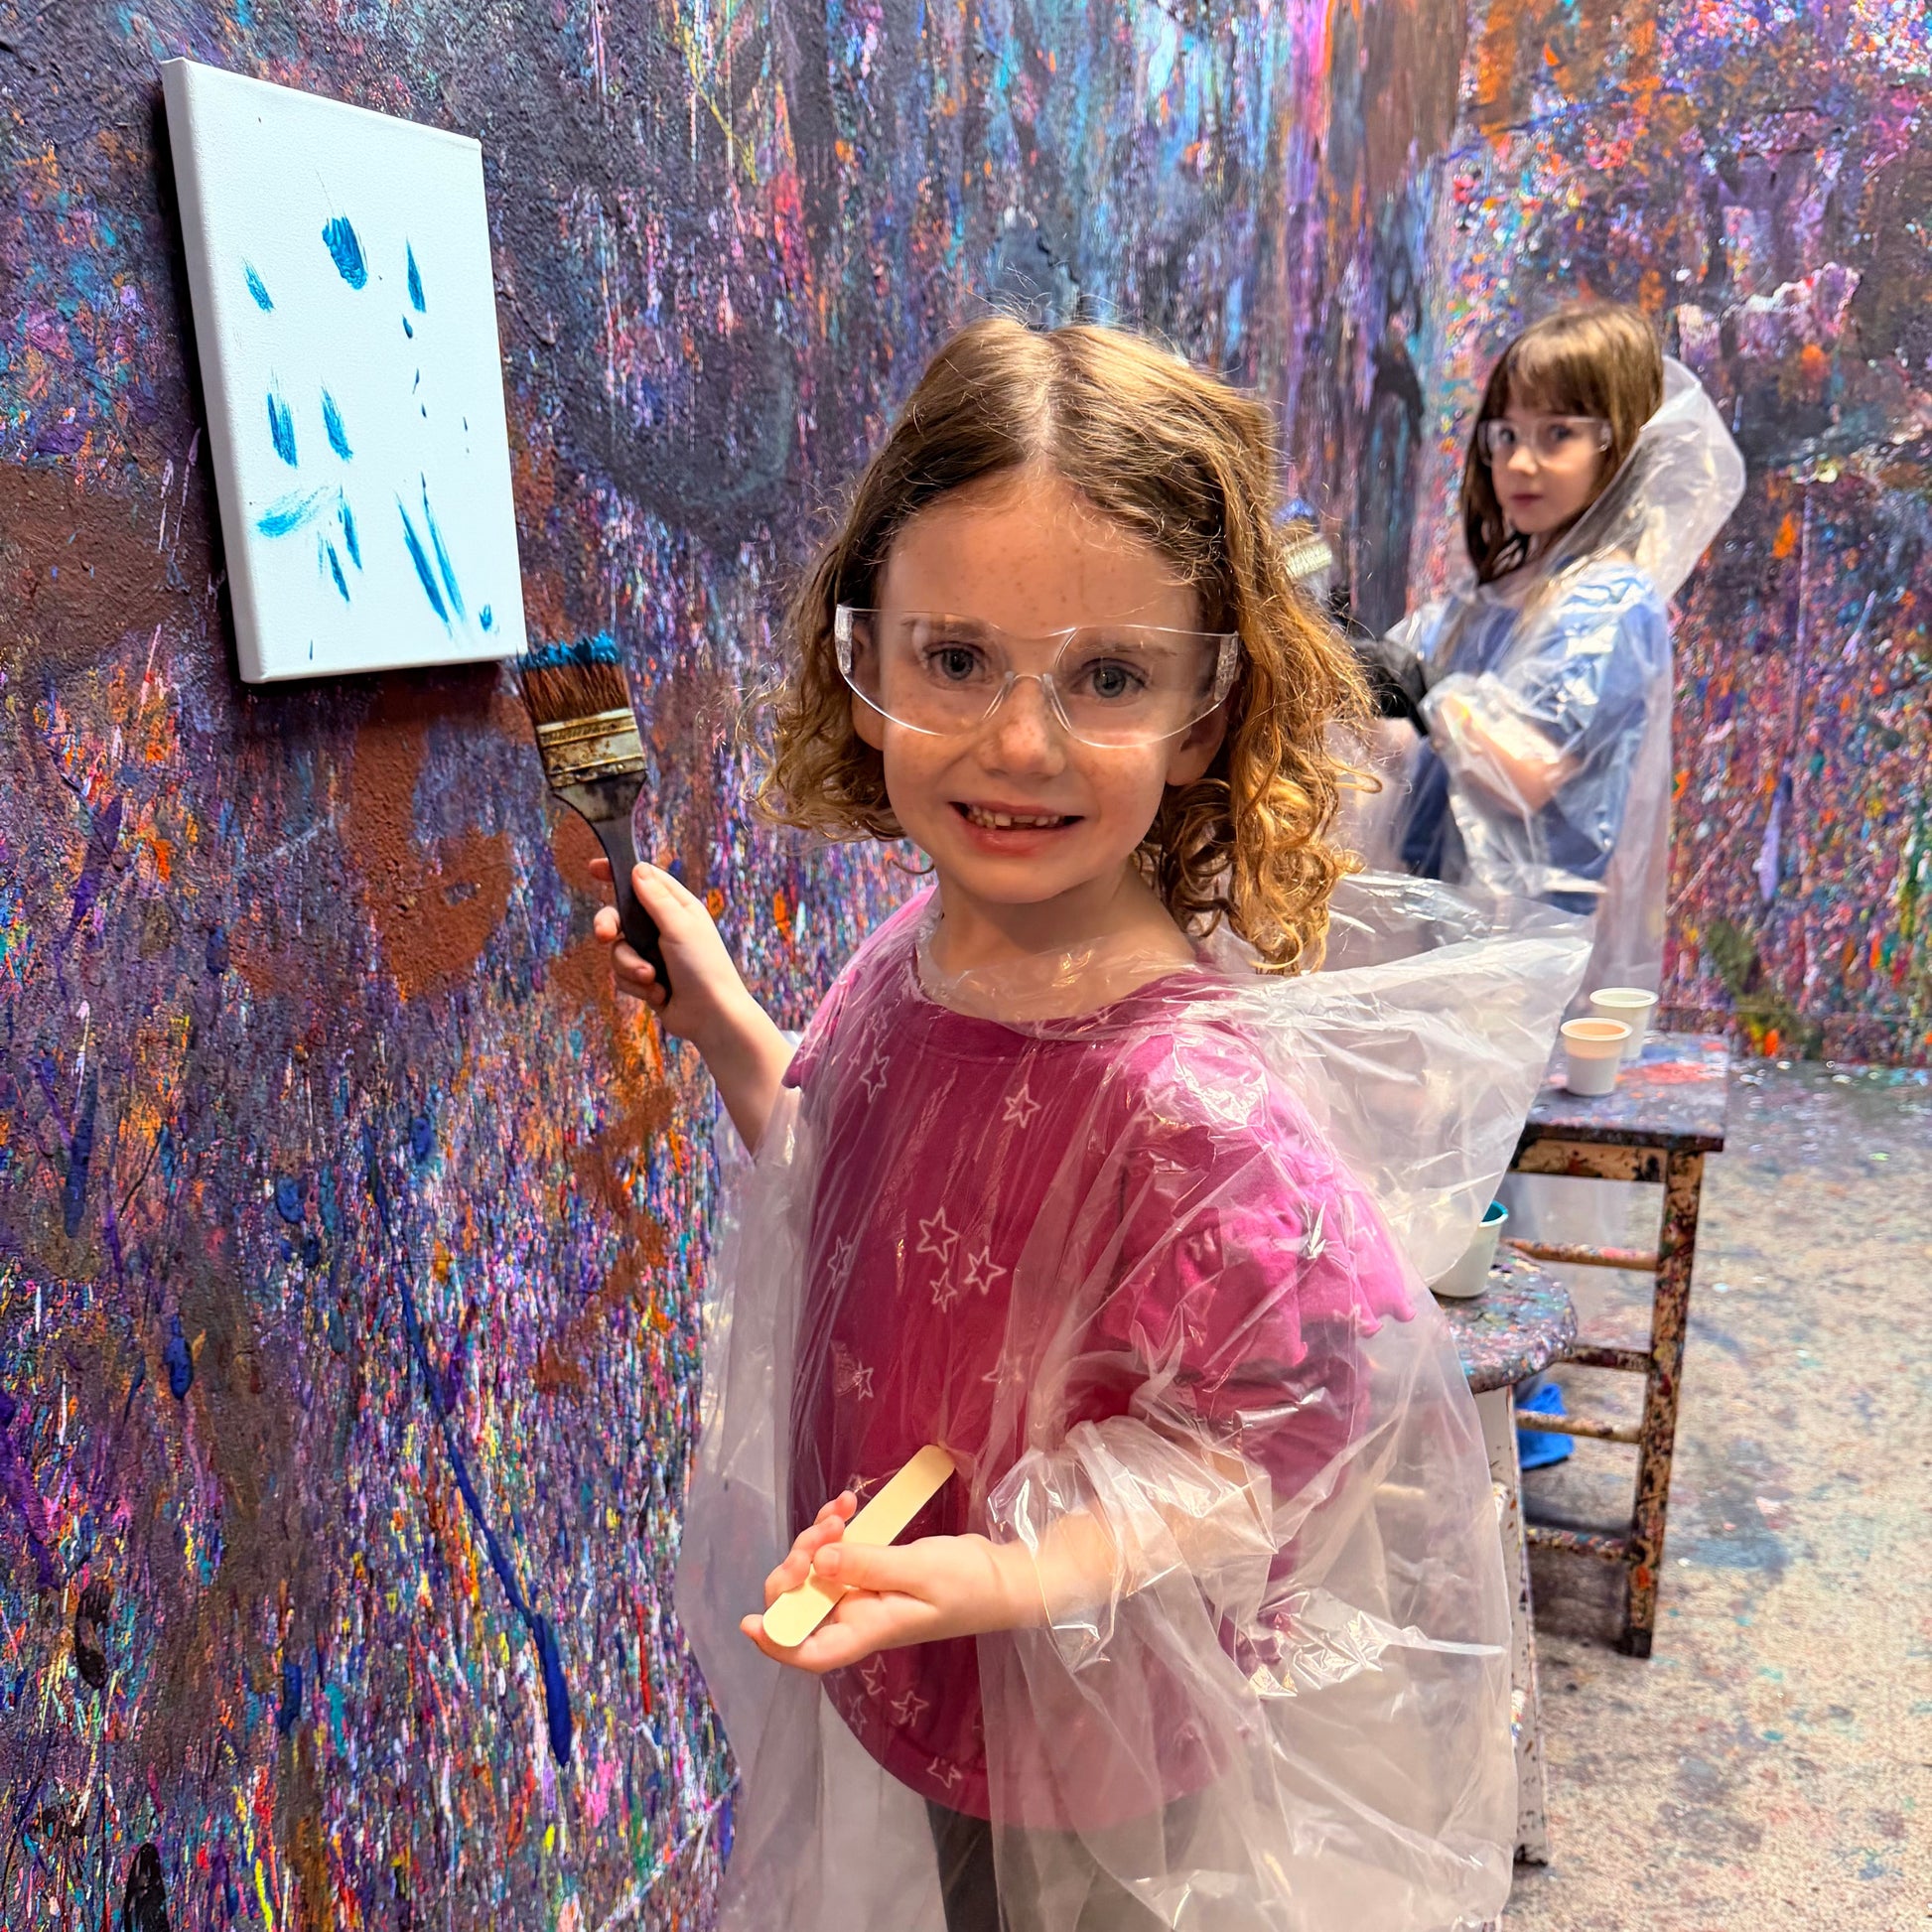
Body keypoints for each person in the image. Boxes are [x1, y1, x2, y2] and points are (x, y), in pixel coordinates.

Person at [589, 319, 1580, 1932]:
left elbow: (1299, 1421)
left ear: (1204, 709)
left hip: (1096, 1745)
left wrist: (997, 1574)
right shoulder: (909, 964)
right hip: (922, 1653)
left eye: (1107, 675)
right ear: (866, 657)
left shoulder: (1181, 1103)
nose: (1020, 741)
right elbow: (843, 1166)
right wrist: (717, 1015)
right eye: (957, 659)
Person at [1358, 301, 1745, 995]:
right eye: (1505, 434)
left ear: (1619, 443)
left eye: (1556, 434)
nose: (1521, 462)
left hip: (1519, 961)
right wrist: (1349, 672)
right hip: (1444, 939)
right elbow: (1417, 757)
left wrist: (1425, 691)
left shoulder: (1607, 606)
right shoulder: (1496, 602)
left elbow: (1528, 776)